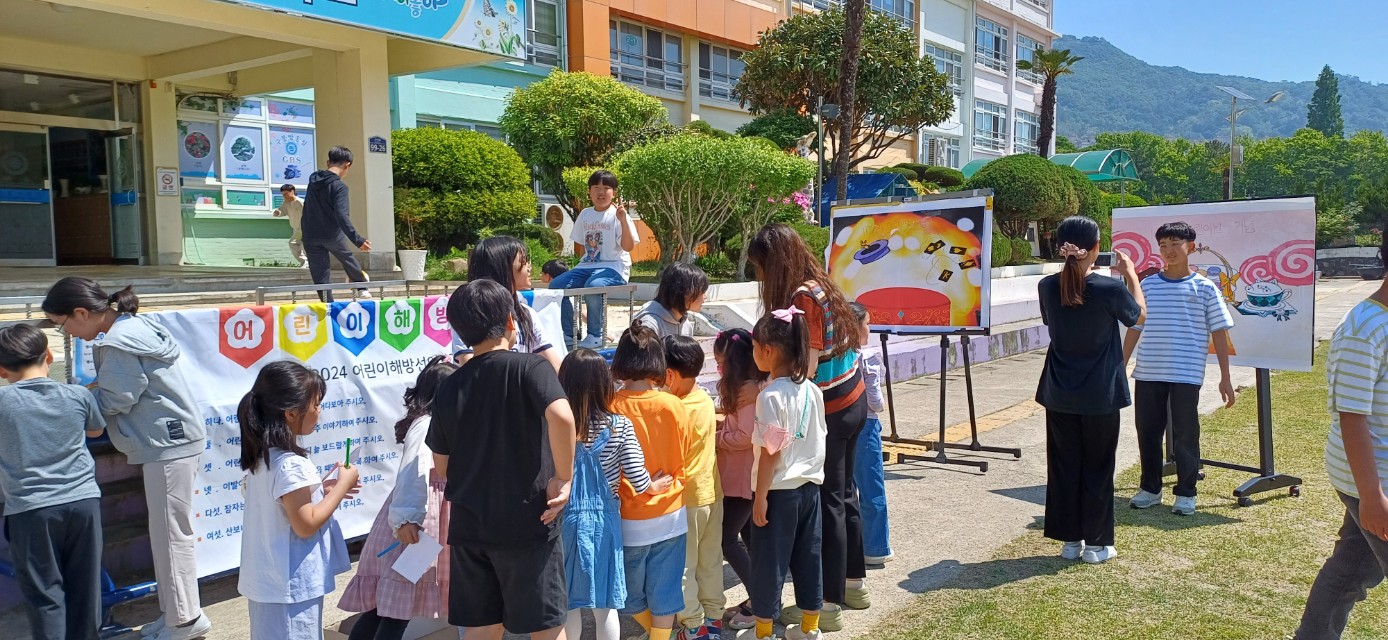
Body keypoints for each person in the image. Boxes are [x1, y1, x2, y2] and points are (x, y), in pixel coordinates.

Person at [41, 278, 212, 640]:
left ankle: (185, 621)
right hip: (172, 440)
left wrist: (70, 402)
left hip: (165, 444)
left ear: (82, 313)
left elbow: (118, 398)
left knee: (170, 536)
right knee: (168, 534)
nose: (67, 332)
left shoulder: (118, 342)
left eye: (64, 324)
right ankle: (176, 616)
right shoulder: (135, 325)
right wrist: (91, 391)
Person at [426, 279, 576, 640]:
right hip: (528, 524)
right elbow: (563, 416)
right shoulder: (530, 368)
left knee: (480, 628)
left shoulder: (450, 384)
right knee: (546, 628)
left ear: (460, 330)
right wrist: (563, 476)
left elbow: (441, 465)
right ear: (511, 321)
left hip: (470, 525)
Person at [748, 223, 864, 629]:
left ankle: (827, 607)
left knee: (829, 502)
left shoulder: (801, 298)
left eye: (761, 268)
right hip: (853, 395)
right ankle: (852, 584)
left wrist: (776, 391)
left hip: (831, 401)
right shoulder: (821, 283)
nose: (761, 277)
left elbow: (807, 365)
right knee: (844, 496)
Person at [1035, 217, 1146, 565]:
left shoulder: (1047, 286)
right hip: (1099, 392)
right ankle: (1097, 544)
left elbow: (1052, 322)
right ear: (1097, 248)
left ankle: (1070, 541)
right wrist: (1131, 275)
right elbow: (1139, 317)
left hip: (1059, 390)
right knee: (1098, 467)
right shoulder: (1109, 289)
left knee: (1064, 465)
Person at [1292, 239, 1388, 640]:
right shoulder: (1364, 329)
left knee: (1353, 568)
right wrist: (1372, 496)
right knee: (1352, 569)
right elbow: (1352, 418)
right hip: (1372, 478)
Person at [340, 357, 459, 640]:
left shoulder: (436, 423)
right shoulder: (426, 424)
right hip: (420, 524)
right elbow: (413, 471)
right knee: (396, 608)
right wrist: (407, 519)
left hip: (425, 521)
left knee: (390, 605)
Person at [557, 349, 673, 640]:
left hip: (561, 519)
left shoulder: (555, 425)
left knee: (567, 603)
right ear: (604, 383)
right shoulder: (619, 426)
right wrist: (652, 486)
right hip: (604, 525)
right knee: (605, 605)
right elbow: (637, 476)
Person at [1122, 221, 1236, 516]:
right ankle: (1150, 488)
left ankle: (1186, 492)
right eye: (1163, 245)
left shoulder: (1205, 287)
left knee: (1186, 433)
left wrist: (1225, 377)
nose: (1169, 251)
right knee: (1147, 432)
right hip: (1149, 371)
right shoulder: (1147, 285)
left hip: (1186, 372)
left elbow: (1220, 332)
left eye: (1175, 244)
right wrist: (1120, 364)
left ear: (1191, 247)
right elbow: (1136, 326)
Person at [0, 324, 106, 640]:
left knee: (46, 596)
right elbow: (95, 432)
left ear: (2, 370)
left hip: (31, 511)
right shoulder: (76, 395)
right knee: (86, 590)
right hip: (84, 503)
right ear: (48, 355)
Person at [237, 361, 356, 639]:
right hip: (290, 585)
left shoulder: (265, 458)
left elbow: (287, 507)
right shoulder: (291, 464)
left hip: (268, 582)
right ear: (291, 413)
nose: (319, 411)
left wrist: (320, 491)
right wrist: (342, 486)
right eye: (316, 404)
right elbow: (305, 524)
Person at [748, 308, 828, 640]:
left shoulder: (770, 396)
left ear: (768, 351)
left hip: (778, 491)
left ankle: (763, 632)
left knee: (769, 563)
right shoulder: (813, 391)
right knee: (809, 558)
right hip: (810, 490)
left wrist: (760, 497)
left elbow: (771, 453)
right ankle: (810, 629)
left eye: (755, 347)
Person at [609, 324, 688, 640]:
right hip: (672, 512)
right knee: (666, 589)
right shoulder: (673, 405)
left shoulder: (611, 405)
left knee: (628, 593)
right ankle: (661, 636)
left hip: (629, 517)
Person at [664, 335, 725, 640]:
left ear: (669, 374)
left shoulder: (676, 409)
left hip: (686, 500)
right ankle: (714, 617)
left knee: (684, 568)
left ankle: (692, 625)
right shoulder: (703, 399)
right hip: (712, 494)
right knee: (711, 560)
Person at [713, 328, 767, 631]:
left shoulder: (747, 391)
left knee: (726, 539)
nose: (718, 369)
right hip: (741, 476)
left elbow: (746, 436)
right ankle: (760, 597)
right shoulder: (750, 388)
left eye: (720, 363)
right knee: (747, 539)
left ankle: (760, 601)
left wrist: (717, 437)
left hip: (741, 478)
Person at [550, 170, 639, 349]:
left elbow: (628, 247)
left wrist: (623, 221)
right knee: (555, 286)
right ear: (589, 192)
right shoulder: (585, 214)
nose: (601, 192)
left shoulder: (619, 214)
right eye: (596, 187)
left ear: (614, 192)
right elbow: (583, 245)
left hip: (614, 267)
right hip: (588, 265)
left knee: (593, 286)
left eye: (606, 188)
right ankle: (569, 333)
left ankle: (596, 335)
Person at [453, 236, 563, 370]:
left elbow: (555, 365)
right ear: (502, 268)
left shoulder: (527, 314)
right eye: (523, 261)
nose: (529, 267)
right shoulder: (470, 313)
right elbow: (470, 367)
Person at [848, 303, 892, 565]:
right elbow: (876, 403)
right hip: (866, 426)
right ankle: (875, 548)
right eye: (866, 323)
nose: (870, 328)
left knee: (844, 490)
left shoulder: (834, 359)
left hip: (839, 425)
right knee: (872, 488)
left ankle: (849, 545)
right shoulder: (866, 359)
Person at [302, 145, 371, 302]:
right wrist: (358, 240)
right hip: (331, 234)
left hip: (310, 235)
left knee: (320, 275)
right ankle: (361, 287)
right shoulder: (340, 187)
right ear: (347, 165)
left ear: (328, 163)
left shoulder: (313, 180)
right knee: (346, 257)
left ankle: (328, 306)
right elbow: (341, 215)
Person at [633, 263, 710, 339]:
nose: (705, 297)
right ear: (685, 292)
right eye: (702, 292)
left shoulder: (686, 324)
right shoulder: (649, 326)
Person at [272, 183, 307, 268]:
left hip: (304, 227)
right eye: (283, 194)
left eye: (286, 194)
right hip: (296, 228)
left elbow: (308, 214)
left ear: (292, 192)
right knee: (294, 243)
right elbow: (282, 211)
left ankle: (306, 262)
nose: (284, 196)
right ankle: (304, 261)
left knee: (299, 244)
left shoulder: (300, 202)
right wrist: (278, 213)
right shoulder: (286, 203)